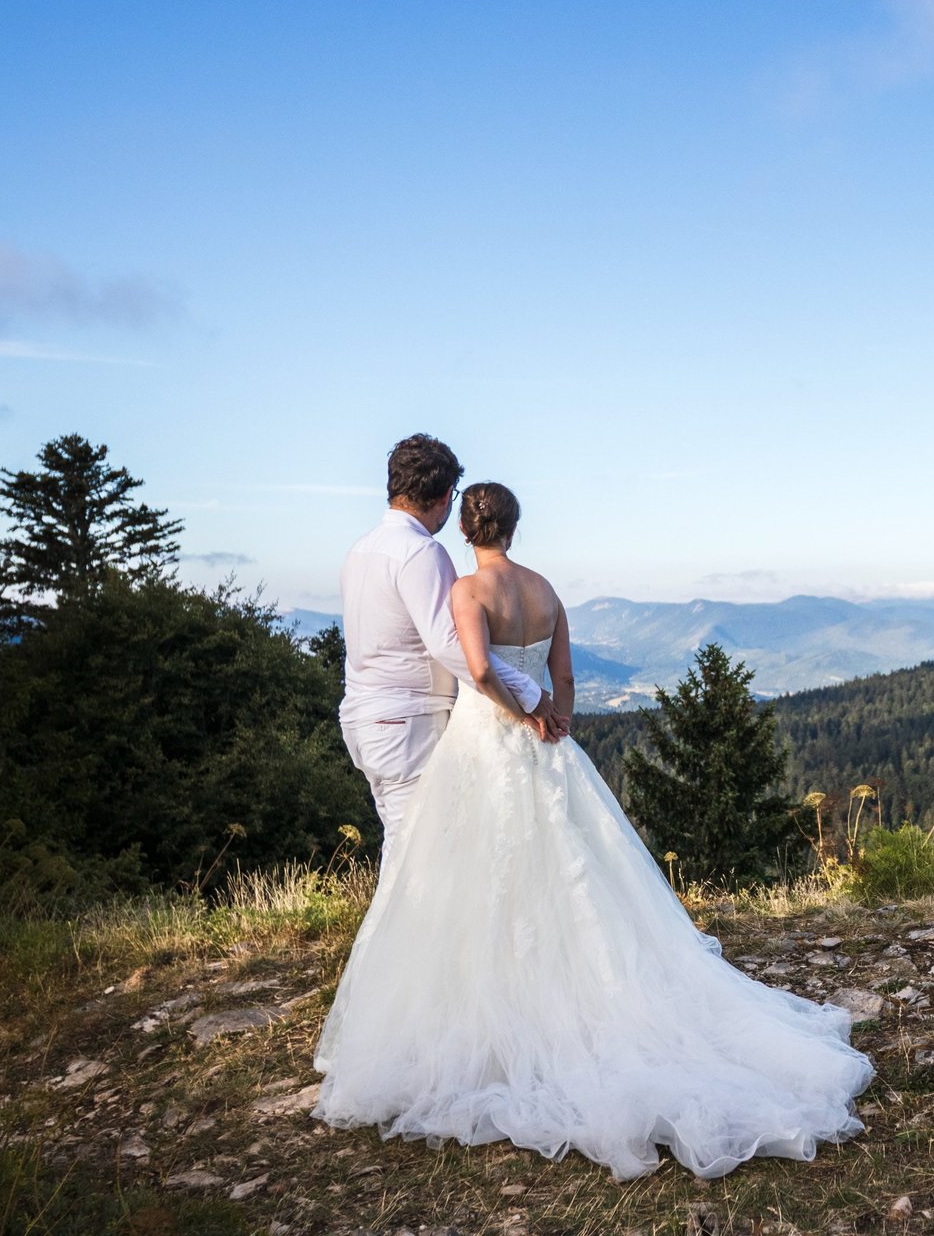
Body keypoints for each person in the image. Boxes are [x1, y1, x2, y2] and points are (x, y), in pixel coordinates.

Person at [313, 481, 874, 1180]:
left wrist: (515, 711)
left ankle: (491, 1015)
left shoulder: (464, 591)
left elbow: (479, 667)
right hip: (551, 750)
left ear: (465, 527)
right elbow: (564, 674)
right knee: (572, 868)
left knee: (470, 874)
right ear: (514, 526)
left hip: (483, 744)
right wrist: (557, 722)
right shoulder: (546, 591)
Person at [338, 435, 564, 869]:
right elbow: (448, 642)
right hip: (408, 721)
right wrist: (528, 692)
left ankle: (400, 935)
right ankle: (404, 938)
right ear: (444, 498)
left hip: (365, 717)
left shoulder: (360, 550)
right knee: (419, 854)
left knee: (402, 843)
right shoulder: (421, 552)